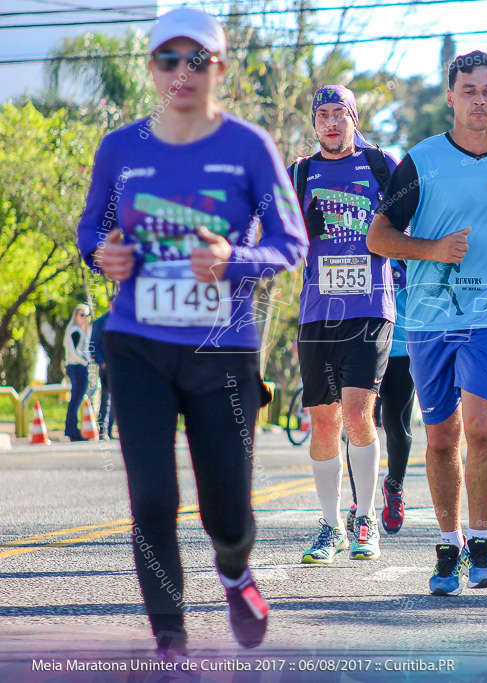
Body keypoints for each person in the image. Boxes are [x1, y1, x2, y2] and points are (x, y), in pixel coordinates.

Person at [76, 8, 307, 659]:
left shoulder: (248, 147)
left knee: (226, 513)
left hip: (221, 350)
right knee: (152, 497)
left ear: (220, 69)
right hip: (137, 344)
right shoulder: (121, 148)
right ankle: (170, 645)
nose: (183, 72)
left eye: (197, 60)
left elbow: (291, 242)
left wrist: (237, 261)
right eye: (169, 60)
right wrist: (103, 255)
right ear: (151, 69)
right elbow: (92, 229)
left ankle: (235, 573)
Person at [367, 50, 487, 596]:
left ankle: (481, 540)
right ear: (450, 96)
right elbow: (379, 238)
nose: (478, 99)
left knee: (480, 428)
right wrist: (432, 249)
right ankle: (447, 544)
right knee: (442, 435)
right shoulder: (420, 161)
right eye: (467, 89)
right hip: (428, 317)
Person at [288, 85, 397, 564]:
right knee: (325, 419)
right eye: (323, 115)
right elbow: (280, 236)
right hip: (317, 312)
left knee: (357, 413)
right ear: (314, 123)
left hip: (371, 307)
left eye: (340, 114)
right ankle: (330, 525)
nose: (332, 123)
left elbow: (409, 225)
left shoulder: (383, 167)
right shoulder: (300, 173)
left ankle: (365, 517)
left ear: (355, 118)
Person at [376, 259, 416, 534]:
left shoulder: (418, 243)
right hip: (365, 345)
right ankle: (360, 500)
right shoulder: (365, 239)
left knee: (397, 427)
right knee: (358, 426)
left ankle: (395, 487)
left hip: (404, 348)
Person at [63, 304, 92, 441]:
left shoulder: (78, 330)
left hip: (75, 366)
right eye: (81, 315)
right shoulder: (76, 331)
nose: (84, 318)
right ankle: (72, 430)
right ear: (75, 316)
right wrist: (85, 362)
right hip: (77, 367)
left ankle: (72, 429)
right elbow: (74, 352)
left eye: (87, 315)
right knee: (76, 399)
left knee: (76, 398)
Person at [89, 310, 116, 439]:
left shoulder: (124, 320)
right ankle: (103, 430)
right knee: (106, 398)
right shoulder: (100, 322)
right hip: (107, 365)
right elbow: (93, 344)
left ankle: (111, 429)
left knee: (118, 399)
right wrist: (101, 362)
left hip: (122, 366)